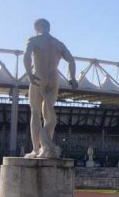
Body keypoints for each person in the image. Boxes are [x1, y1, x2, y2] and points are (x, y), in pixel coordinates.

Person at [23, 19, 78, 159]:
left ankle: (36, 150)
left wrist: (29, 74)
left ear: (38, 27)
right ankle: (46, 149)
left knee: (35, 112)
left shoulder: (34, 40)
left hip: (39, 76)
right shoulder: (59, 44)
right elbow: (71, 60)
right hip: (54, 78)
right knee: (49, 113)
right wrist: (72, 78)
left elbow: (26, 56)